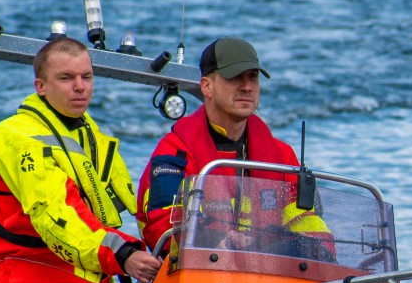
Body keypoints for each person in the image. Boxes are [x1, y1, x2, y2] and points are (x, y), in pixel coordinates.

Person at [0, 36, 161, 283]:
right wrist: (123, 254)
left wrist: (173, 249)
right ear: (41, 86)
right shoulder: (16, 138)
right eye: (66, 78)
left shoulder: (94, 138)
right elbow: (56, 215)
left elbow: (137, 206)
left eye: (86, 77)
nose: (80, 87)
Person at [137, 36, 331, 256]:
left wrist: (319, 252)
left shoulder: (282, 156)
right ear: (207, 87)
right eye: (235, 78)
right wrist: (219, 244)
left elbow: (309, 224)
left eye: (253, 77)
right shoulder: (174, 153)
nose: (247, 86)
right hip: (197, 280)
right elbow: (162, 229)